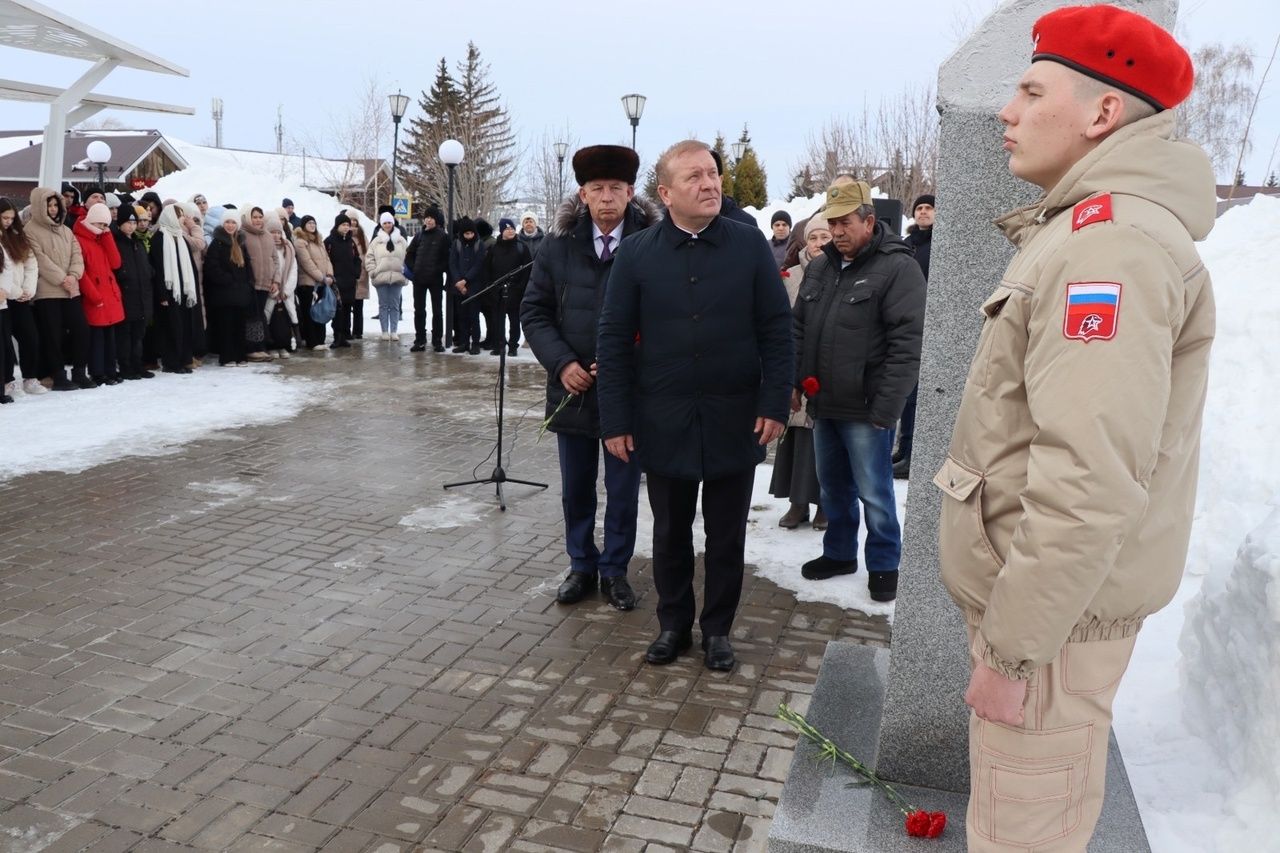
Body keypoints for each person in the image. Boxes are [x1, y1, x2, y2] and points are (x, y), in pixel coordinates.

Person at [938, 8, 1214, 851]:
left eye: (1029, 90)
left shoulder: (1111, 250)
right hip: (1051, 614)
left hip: (1050, 630)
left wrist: (1014, 651)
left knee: (1020, 837)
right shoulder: (1091, 231)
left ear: (1102, 114)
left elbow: (1087, 480)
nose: (1007, 114)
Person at [597, 140, 793, 671]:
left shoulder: (748, 245)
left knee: (726, 535)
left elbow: (777, 328)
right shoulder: (637, 254)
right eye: (694, 178)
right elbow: (613, 340)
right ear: (665, 193)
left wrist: (775, 401)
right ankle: (673, 625)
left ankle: (718, 631)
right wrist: (614, 419)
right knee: (669, 532)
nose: (710, 184)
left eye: (713, 174)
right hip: (663, 419)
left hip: (737, 418)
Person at [523, 144, 660, 611]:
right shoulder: (558, 245)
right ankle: (581, 562)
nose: (606, 199)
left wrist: (629, 359)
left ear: (631, 192)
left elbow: (670, 319)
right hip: (573, 390)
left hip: (629, 394)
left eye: (615, 189)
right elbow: (535, 312)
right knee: (577, 487)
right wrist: (563, 364)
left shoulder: (652, 245)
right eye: (597, 189)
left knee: (622, 489)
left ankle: (615, 569)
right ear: (582, 193)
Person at [792, 177, 925, 600]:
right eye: (831, 222)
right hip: (824, 402)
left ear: (869, 220)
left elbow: (909, 344)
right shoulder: (821, 266)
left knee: (875, 493)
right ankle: (840, 553)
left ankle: (885, 565)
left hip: (867, 408)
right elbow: (798, 329)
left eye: (845, 222)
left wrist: (887, 409)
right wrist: (794, 384)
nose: (836, 231)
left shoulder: (897, 267)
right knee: (833, 488)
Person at [771, 217, 832, 530]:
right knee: (796, 436)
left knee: (823, 438)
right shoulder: (789, 275)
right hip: (794, 362)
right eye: (814, 237)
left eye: (825, 236)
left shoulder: (840, 271)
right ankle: (797, 502)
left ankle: (825, 503)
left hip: (828, 366)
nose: (819, 243)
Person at [27, 187, 90, 390]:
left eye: (56, 205)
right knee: (53, 335)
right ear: (39, 207)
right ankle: (58, 375)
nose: (53, 209)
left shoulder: (66, 230)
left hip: (70, 289)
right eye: (49, 205)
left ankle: (80, 372)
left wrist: (73, 276)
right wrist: (63, 278)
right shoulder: (30, 230)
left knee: (81, 329)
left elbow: (77, 254)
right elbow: (39, 259)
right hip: (48, 291)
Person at [894, 193, 934, 478]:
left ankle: (913, 455)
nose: (923, 212)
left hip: (930, 324)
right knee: (906, 394)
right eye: (919, 208)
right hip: (905, 322)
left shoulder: (940, 245)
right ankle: (903, 448)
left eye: (928, 207)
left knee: (919, 395)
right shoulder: (906, 245)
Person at [72, 203, 124, 385]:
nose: (104, 228)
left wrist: (107, 235)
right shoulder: (79, 240)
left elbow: (116, 263)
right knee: (97, 338)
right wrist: (94, 296)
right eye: (102, 225)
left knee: (110, 337)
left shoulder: (101, 238)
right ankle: (98, 372)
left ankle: (110, 370)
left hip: (108, 293)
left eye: (106, 225)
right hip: (95, 295)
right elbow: (81, 273)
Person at [0, 198, 46, 398]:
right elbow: (5, 271)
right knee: (5, 344)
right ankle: (8, 380)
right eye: (4, 217)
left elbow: (31, 263)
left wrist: (28, 289)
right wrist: (16, 292)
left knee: (30, 337)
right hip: (6, 296)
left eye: (11, 217)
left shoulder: (18, 236)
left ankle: (30, 377)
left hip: (20, 297)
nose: (8, 221)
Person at [150, 205, 200, 374]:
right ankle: (172, 362)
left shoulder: (180, 237)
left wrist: (191, 288)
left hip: (183, 291)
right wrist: (162, 293)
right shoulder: (159, 238)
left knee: (185, 326)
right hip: (170, 292)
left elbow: (190, 266)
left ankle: (185, 359)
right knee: (171, 328)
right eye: (179, 216)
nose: (182, 220)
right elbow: (158, 268)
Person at [203, 211, 256, 367]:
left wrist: (248, 283)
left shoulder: (241, 242)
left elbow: (247, 266)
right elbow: (212, 268)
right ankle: (227, 356)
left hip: (241, 293)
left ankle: (241, 355)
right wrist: (228, 280)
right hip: (224, 294)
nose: (230, 225)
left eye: (233, 222)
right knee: (226, 326)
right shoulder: (216, 243)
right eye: (227, 222)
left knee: (240, 325)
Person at [110, 205, 154, 380]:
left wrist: (150, 272)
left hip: (142, 294)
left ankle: (138, 364)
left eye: (134, 222)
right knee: (125, 335)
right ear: (120, 223)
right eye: (128, 222)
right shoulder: (116, 243)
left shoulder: (137, 243)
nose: (131, 226)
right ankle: (126, 366)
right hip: (126, 295)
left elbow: (146, 266)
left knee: (138, 334)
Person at [478, 218, 531, 356]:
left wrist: (520, 288)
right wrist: (490, 287)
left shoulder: (521, 247)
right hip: (497, 292)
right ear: (502, 231)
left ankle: (513, 346)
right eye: (507, 229)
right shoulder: (494, 248)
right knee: (497, 320)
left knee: (514, 321)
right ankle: (499, 345)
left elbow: (527, 271)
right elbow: (486, 269)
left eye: (512, 228)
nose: (511, 231)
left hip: (515, 292)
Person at [405, 207, 450, 353]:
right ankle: (420, 339)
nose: (429, 220)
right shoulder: (419, 235)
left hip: (435, 279)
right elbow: (409, 255)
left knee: (437, 311)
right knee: (419, 311)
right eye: (427, 217)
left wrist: (438, 269)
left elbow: (446, 259)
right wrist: (414, 269)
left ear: (436, 220)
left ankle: (437, 340)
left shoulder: (442, 236)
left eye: (431, 217)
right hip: (419, 279)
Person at [240, 207, 278, 362]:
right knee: (251, 317)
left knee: (260, 316)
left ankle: (259, 346)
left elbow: (275, 259)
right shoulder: (242, 234)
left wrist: (276, 280)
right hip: (249, 284)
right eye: (254, 217)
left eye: (260, 217)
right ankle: (251, 349)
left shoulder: (268, 236)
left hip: (265, 284)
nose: (257, 220)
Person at [366, 212, 409, 342]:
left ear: (393, 223)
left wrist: (404, 271)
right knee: (383, 305)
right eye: (384, 223)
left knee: (395, 305)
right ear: (381, 224)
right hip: (381, 276)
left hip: (397, 276)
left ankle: (394, 331)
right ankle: (384, 331)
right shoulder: (376, 241)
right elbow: (369, 258)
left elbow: (408, 257)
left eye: (389, 222)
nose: (387, 225)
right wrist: (373, 271)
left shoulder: (401, 240)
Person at [293, 215, 333, 351]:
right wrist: (321, 277)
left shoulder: (319, 241)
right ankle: (312, 341)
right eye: (309, 223)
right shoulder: (300, 242)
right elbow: (307, 263)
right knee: (310, 313)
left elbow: (327, 259)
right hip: (308, 284)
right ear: (303, 225)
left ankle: (320, 339)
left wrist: (329, 275)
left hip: (322, 283)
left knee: (320, 311)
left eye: (313, 223)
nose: (312, 225)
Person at [449, 217, 486, 355]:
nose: (469, 236)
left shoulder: (479, 244)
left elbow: (478, 265)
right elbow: (452, 263)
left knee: (473, 316)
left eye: (471, 233)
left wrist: (466, 280)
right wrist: (459, 282)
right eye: (466, 234)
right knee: (461, 316)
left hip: (474, 286)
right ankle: (464, 342)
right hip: (458, 287)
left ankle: (475, 343)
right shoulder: (457, 244)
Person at [325, 213, 360, 349]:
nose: (346, 228)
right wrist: (331, 276)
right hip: (336, 280)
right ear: (337, 226)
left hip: (349, 280)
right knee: (338, 310)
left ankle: (345, 336)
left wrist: (355, 273)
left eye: (347, 225)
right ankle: (337, 336)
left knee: (347, 308)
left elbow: (357, 259)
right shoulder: (329, 241)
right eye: (343, 225)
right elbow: (325, 259)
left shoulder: (351, 242)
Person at [264, 216, 298, 357]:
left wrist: (286, 291)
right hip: (271, 291)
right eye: (272, 232)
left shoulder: (288, 248)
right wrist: (274, 290)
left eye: (278, 232)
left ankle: (284, 346)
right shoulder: (265, 248)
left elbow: (293, 271)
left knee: (284, 322)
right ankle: (271, 347)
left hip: (285, 294)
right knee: (270, 321)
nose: (276, 235)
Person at [348, 213, 369, 341]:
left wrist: (365, 267)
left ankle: (358, 331)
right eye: (351, 220)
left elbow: (368, 252)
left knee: (358, 305)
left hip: (361, 273)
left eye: (355, 220)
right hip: (349, 274)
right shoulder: (345, 235)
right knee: (347, 304)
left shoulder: (362, 235)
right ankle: (347, 330)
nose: (353, 223)